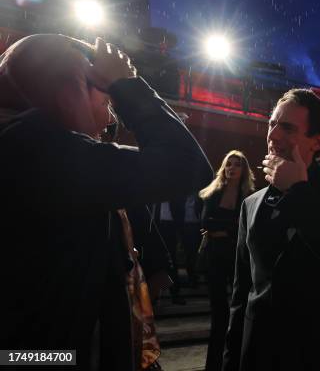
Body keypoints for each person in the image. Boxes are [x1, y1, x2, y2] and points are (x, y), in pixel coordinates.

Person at [0, 34, 212, 370]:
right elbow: (188, 166)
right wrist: (127, 85)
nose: (110, 105)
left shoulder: (29, 143)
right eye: (99, 85)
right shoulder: (40, 151)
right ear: (65, 86)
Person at [223, 89, 320, 371]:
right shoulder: (251, 203)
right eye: (272, 124)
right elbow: (241, 295)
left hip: (315, 352)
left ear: (318, 140)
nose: (274, 136)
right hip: (256, 354)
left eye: (288, 128)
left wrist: (297, 191)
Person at [199, 150, 255, 371]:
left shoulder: (249, 197)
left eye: (237, 165)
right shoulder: (213, 193)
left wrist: (222, 230)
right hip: (215, 256)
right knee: (218, 314)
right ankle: (213, 366)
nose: (232, 168)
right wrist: (227, 229)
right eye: (228, 164)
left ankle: (233, 363)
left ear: (244, 170)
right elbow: (206, 223)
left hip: (237, 257)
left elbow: (245, 229)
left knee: (238, 311)